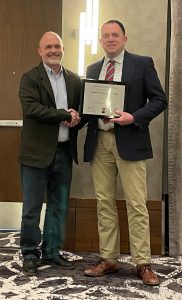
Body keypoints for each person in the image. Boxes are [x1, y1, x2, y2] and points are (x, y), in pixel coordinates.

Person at [83, 20, 167, 285]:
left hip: (130, 141)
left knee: (137, 205)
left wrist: (135, 117)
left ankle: (143, 263)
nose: (110, 39)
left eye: (115, 35)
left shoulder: (142, 64)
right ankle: (109, 258)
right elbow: (90, 106)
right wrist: (75, 115)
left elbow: (159, 100)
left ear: (125, 39)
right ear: (100, 41)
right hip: (100, 143)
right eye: (105, 36)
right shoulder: (93, 68)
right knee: (104, 203)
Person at [19, 31, 81, 276]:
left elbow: (80, 112)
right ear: (40, 51)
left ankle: (52, 252)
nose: (53, 50)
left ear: (63, 49)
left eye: (57, 46)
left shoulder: (75, 79)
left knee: (59, 205)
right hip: (35, 155)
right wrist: (65, 115)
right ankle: (29, 253)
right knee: (32, 207)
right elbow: (33, 109)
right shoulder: (30, 78)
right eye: (48, 47)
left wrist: (78, 118)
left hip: (64, 153)